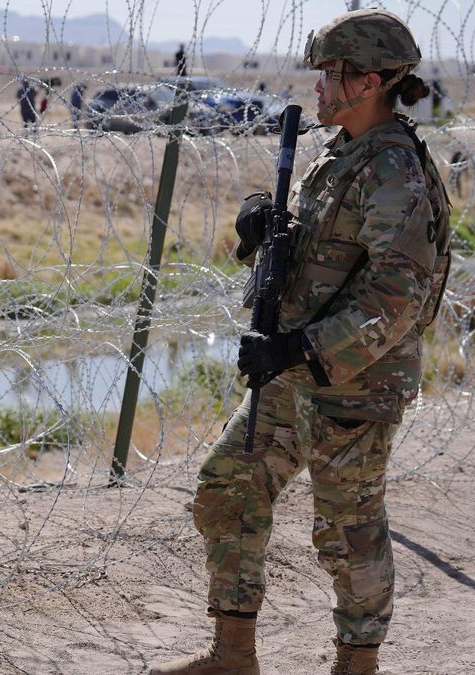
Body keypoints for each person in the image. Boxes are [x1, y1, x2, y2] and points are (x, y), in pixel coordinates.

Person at [150, 9, 450, 675]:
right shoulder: (343, 155)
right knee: (229, 485)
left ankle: (358, 661)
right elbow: (310, 261)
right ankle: (233, 656)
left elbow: (393, 300)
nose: (318, 86)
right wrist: (260, 231)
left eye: (331, 74)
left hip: (353, 385)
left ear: (369, 81)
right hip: (297, 372)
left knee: (348, 529)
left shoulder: (394, 171)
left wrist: (296, 349)